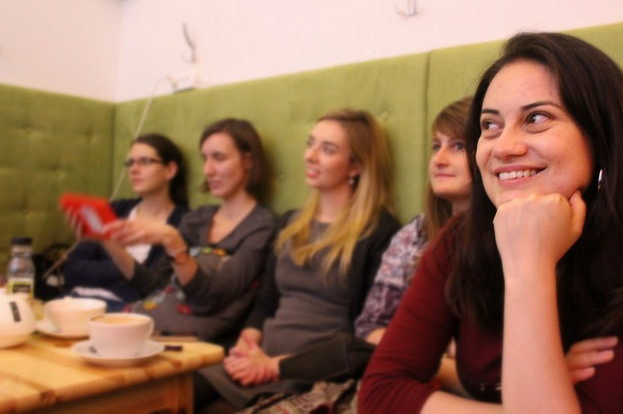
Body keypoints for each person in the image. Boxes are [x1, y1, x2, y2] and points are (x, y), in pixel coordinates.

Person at [359, 32, 623, 413]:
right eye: (490, 126)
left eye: (536, 118)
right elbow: (379, 394)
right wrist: (538, 386)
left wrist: (529, 264)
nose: (504, 147)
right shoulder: (461, 239)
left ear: (602, 136)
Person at [196, 109, 401, 412]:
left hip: (311, 375)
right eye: (310, 143)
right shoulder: (291, 222)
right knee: (175, 391)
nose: (310, 156)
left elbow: (361, 337)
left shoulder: (379, 232)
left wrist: (273, 365)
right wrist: (247, 343)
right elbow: (267, 301)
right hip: (258, 361)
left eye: (327, 149)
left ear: (355, 166)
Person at [82, 119, 276, 344]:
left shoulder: (261, 227)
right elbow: (155, 285)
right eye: (205, 159)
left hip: (188, 343)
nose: (208, 170)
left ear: (248, 160)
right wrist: (109, 243)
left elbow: (210, 299)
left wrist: (173, 242)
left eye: (219, 158)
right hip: (142, 325)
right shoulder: (198, 218)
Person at [354, 97, 472, 346]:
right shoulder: (416, 233)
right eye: (436, 146)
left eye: (458, 146)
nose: (439, 160)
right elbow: (369, 326)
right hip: (415, 361)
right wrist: (433, 356)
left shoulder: (508, 230)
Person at [63, 133, 190, 311]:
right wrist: (126, 270)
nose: (134, 169)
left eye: (145, 162)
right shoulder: (114, 210)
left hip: (125, 311)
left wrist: (106, 269)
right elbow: (72, 269)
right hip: (75, 300)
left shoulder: (183, 223)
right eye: (131, 162)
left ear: (170, 170)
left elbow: (155, 288)